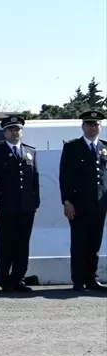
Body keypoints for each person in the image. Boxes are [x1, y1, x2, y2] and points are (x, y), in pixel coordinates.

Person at [0, 115, 40, 292]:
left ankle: (18, 278)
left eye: (17, 129)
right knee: (5, 243)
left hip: (26, 206)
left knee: (22, 244)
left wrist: (35, 203)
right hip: (4, 206)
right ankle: (5, 280)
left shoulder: (30, 151)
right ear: (5, 132)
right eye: (11, 130)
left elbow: (35, 179)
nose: (14, 132)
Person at [58, 109, 107, 290]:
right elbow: (65, 176)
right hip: (78, 205)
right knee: (79, 243)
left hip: (100, 204)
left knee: (94, 244)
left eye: (96, 124)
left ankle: (91, 278)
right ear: (83, 126)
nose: (93, 127)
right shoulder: (72, 147)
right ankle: (78, 280)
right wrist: (67, 201)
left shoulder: (104, 148)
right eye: (89, 124)